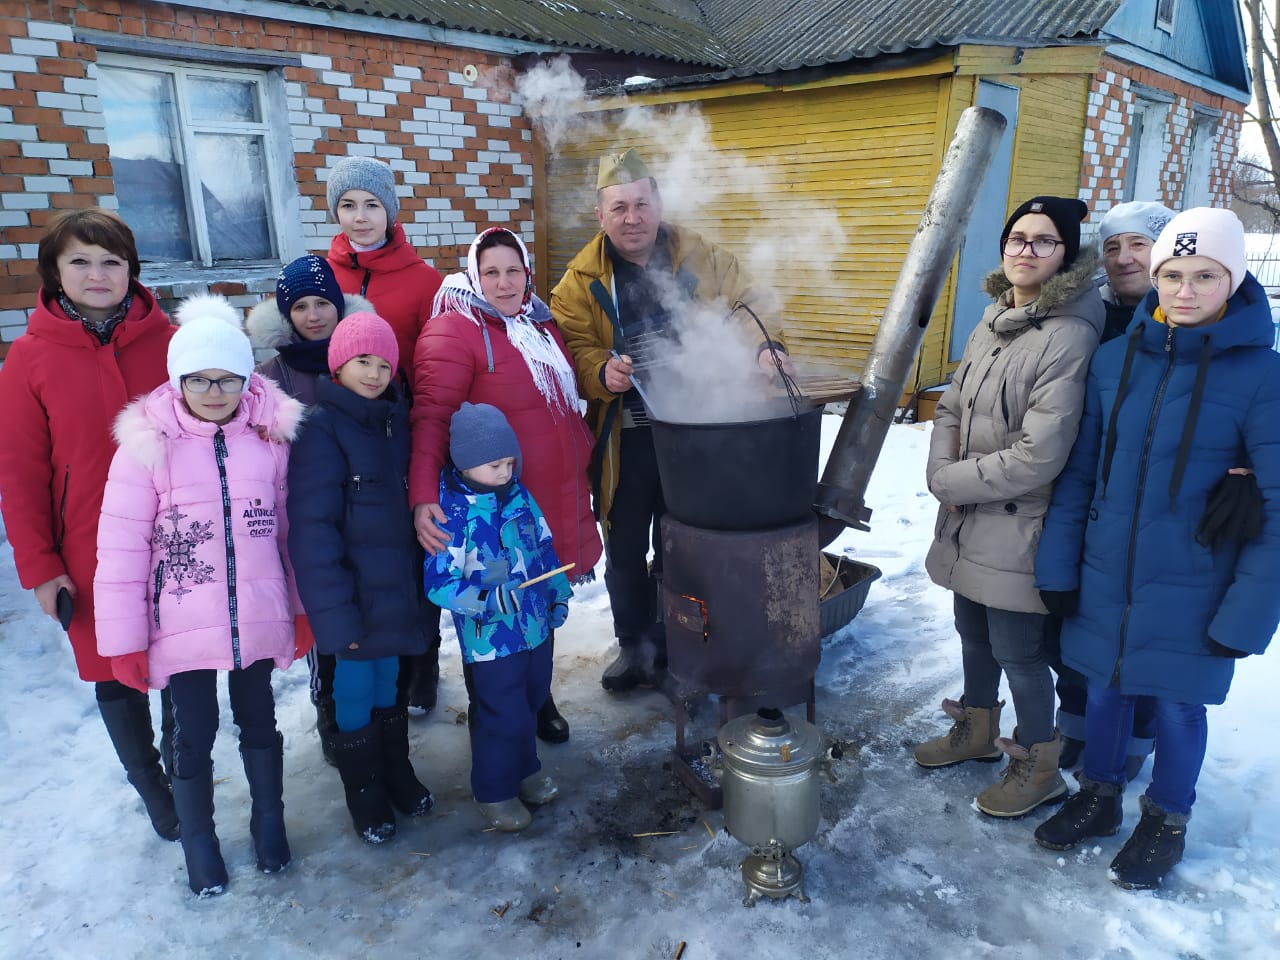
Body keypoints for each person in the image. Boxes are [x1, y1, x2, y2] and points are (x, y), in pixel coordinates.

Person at [1032, 208, 1280, 890]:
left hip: (1197, 580)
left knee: (1176, 704)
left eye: (1206, 275)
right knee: (1105, 687)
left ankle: (1167, 816)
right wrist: (1058, 566)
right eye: (1172, 274)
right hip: (1109, 568)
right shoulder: (1115, 361)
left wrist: (1248, 615)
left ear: (1234, 280)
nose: (1185, 290)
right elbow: (1081, 473)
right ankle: (1099, 793)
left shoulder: (1264, 376)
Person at [551, 148, 790, 692]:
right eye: (618, 208)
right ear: (600, 215)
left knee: (691, 543)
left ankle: (689, 643)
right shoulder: (578, 281)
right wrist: (599, 372)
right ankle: (634, 647)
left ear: (658, 204)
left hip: (701, 428)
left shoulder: (699, 255)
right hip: (629, 439)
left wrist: (764, 347)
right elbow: (571, 346)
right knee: (627, 547)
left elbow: (750, 301)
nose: (631, 218)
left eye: (640, 204)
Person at [94, 294, 303, 897]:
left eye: (228, 379)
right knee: (194, 730)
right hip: (181, 622)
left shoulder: (268, 437)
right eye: (200, 379)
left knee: (260, 721)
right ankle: (200, 843)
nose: (215, 391)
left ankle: (270, 824)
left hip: (259, 615)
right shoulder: (147, 445)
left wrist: (299, 608)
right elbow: (123, 551)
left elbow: (289, 531)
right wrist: (125, 642)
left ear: (245, 377)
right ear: (177, 378)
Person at [913, 196, 1105, 818]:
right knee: (971, 631)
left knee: (1019, 651)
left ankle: (1036, 760)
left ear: (1067, 255)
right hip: (970, 512)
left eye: (1044, 241)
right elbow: (949, 407)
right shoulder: (995, 317)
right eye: (1017, 238)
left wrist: (956, 481)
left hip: (1022, 523)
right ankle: (975, 731)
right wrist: (941, 471)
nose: (1026, 250)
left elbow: (1039, 455)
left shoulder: (1070, 334)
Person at [0, 208, 179, 842]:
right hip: (87, 548)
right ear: (55, 271)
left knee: (181, 660)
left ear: (132, 270)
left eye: (111, 261)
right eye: (80, 260)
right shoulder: (29, 357)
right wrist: (42, 569)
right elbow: (19, 471)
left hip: (174, 539)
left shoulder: (171, 342)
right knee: (110, 668)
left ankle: (186, 776)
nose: (97, 274)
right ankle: (153, 786)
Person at [410, 227, 602, 744]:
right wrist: (423, 494)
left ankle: (539, 700)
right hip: (490, 514)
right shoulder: (455, 330)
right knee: (493, 613)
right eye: (491, 272)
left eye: (513, 270)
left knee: (538, 597)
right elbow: (431, 417)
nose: (504, 282)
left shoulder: (539, 324)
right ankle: (494, 713)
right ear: (475, 275)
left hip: (539, 505)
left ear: (528, 274)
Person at [287, 312, 436, 844]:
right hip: (351, 595)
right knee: (352, 688)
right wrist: (334, 611)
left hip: (395, 588)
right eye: (361, 362)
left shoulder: (396, 422)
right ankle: (364, 788)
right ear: (337, 365)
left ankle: (396, 769)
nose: (373, 374)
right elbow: (312, 529)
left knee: (389, 682)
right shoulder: (320, 428)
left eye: (382, 363)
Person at [1048, 200, 1175, 775]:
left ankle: (1134, 742)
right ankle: (1076, 727)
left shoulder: (1184, 319)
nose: (1123, 258)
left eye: (1138, 245)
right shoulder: (1089, 316)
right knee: (1073, 624)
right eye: (1112, 246)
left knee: (1141, 633)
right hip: (1079, 490)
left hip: (1151, 506)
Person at [325, 155, 445, 713]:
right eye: (347, 205)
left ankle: (421, 666)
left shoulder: (425, 282)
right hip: (341, 444)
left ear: (391, 212)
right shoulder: (321, 276)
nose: (359, 217)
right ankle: (347, 681)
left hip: (407, 440)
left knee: (417, 554)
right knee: (355, 559)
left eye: (371, 204)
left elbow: (434, 368)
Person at [248, 254, 375, 766]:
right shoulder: (269, 374)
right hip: (304, 515)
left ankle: (375, 705)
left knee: (367, 606)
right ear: (286, 312)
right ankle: (329, 709)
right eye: (300, 306)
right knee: (324, 618)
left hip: (364, 509)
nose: (314, 315)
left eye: (324, 302)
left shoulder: (359, 358)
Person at [424, 402, 573, 832]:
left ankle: (525, 769)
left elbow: (544, 551)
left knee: (531, 699)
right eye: (495, 465)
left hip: (534, 628)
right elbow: (439, 582)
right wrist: (488, 600)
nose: (506, 472)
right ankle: (494, 789)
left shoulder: (519, 497)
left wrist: (557, 595)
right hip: (490, 641)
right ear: (467, 463)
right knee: (500, 713)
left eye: (509, 462)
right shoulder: (453, 512)